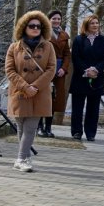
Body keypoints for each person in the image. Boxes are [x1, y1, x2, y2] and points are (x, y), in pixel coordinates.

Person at [3, 10, 55, 172]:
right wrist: (25, 87)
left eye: (38, 26)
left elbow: (51, 69)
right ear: (24, 27)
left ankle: (21, 159)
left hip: (40, 94)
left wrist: (36, 87)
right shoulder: (14, 47)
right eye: (31, 26)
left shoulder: (48, 47)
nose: (35, 28)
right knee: (21, 126)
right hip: (20, 92)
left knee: (31, 127)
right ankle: (24, 156)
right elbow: (9, 70)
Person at [69, 14, 104, 141]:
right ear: (86, 25)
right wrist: (86, 70)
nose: (95, 25)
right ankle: (76, 132)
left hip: (96, 78)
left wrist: (95, 69)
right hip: (80, 77)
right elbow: (76, 57)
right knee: (77, 107)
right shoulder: (78, 39)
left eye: (97, 23)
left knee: (93, 108)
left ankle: (91, 133)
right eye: (92, 23)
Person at [39, 9, 71, 138]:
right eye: (54, 19)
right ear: (49, 20)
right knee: (43, 97)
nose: (57, 21)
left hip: (59, 70)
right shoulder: (42, 34)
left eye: (59, 19)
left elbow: (67, 54)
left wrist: (64, 68)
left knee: (54, 99)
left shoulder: (64, 35)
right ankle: (39, 126)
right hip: (45, 68)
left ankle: (48, 127)